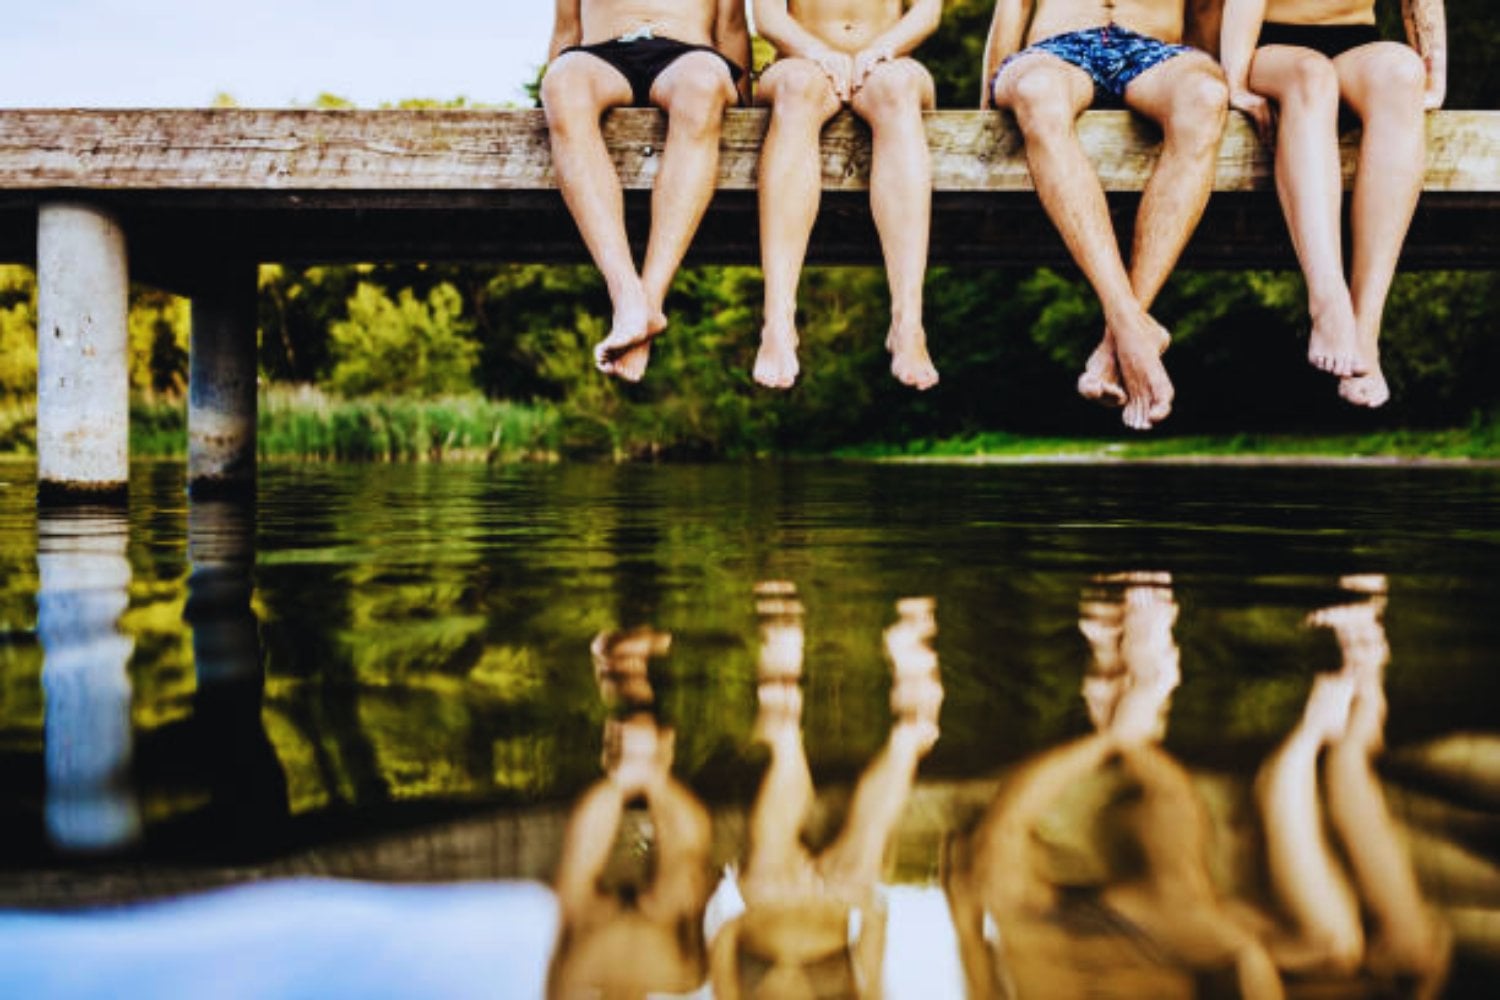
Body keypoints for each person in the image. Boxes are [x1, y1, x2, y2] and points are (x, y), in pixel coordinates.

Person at [982, 1, 1230, 430]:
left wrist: (1215, 83)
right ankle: (1134, 328)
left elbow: (1207, 9)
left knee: (1206, 98)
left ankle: (1117, 337)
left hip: (1155, 52)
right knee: (1036, 92)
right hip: (1053, 53)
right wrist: (986, 103)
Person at [708, 585, 943, 996]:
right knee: (856, 877)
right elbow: (874, 971)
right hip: (835, 900)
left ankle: (781, 698)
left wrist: (754, 911)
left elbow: (722, 942)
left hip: (768, 899)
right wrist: (863, 901)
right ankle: (913, 723)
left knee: (767, 882)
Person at [1220, 1, 1446, 407]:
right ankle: (1327, 300)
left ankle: (1365, 331)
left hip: (1354, 42)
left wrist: (1433, 74)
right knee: (1313, 76)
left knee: (1401, 71)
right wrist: (1234, 81)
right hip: (1269, 47)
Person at [541, 1, 751, 383]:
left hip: (688, 56)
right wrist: (554, 113)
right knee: (561, 82)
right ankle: (626, 295)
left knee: (704, 84)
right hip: (599, 55)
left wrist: (745, 112)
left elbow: (732, 29)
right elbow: (566, 29)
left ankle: (650, 299)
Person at [751, 0, 943, 390]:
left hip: (889, 62)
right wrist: (817, 52)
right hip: (800, 61)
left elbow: (927, 13)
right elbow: (767, 17)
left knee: (898, 87)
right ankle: (778, 321)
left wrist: (881, 50)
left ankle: (908, 322)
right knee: (796, 87)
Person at [546, 627, 716, 998]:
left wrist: (623, 781)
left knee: (577, 901)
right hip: (661, 948)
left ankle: (622, 680)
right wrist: (654, 778)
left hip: (595, 953)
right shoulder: (684, 975)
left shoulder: (571, 984)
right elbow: (699, 888)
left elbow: (567, 900)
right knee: (686, 886)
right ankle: (627, 689)